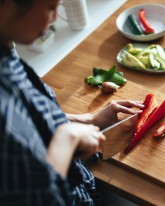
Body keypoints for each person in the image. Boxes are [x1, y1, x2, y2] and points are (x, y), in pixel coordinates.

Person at [0, 0, 144, 205]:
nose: (55, 17)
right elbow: (42, 199)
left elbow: (29, 116)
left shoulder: (5, 52)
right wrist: (65, 140)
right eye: (50, 7)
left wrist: (87, 120)